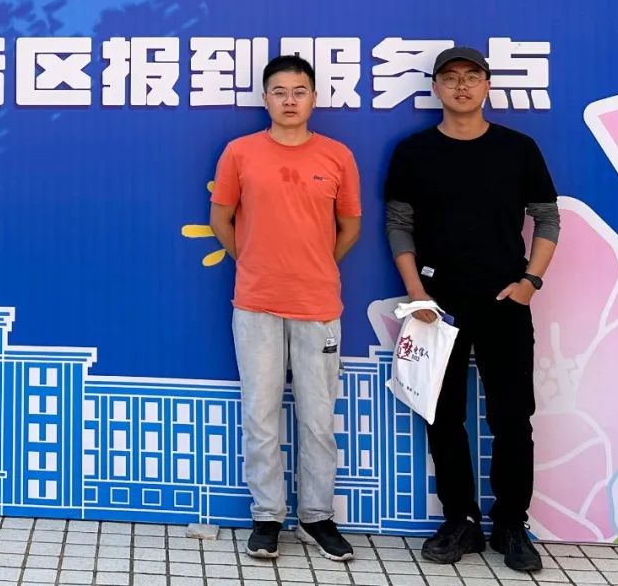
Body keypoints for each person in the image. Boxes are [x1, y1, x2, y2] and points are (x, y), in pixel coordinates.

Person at [384, 46, 559, 572]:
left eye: (472, 76)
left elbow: (547, 218)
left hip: (505, 299)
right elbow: (399, 225)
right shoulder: (414, 152)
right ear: (435, 87)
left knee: (513, 416)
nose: (461, 86)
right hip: (438, 305)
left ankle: (511, 524)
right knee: (444, 416)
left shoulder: (518, 148)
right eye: (450, 77)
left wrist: (530, 282)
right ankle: (459, 520)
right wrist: (417, 293)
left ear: (487, 85)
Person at [210, 55, 362, 561]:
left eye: (299, 91)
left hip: (318, 303)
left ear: (314, 98)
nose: (290, 100)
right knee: (260, 413)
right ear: (265, 99)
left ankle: (318, 517)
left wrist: (315, 263)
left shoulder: (337, 155)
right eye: (279, 92)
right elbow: (221, 218)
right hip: (256, 302)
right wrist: (255, 262)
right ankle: (267, 516)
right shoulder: (240, 153)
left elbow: (351, 226)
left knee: (318, 418)